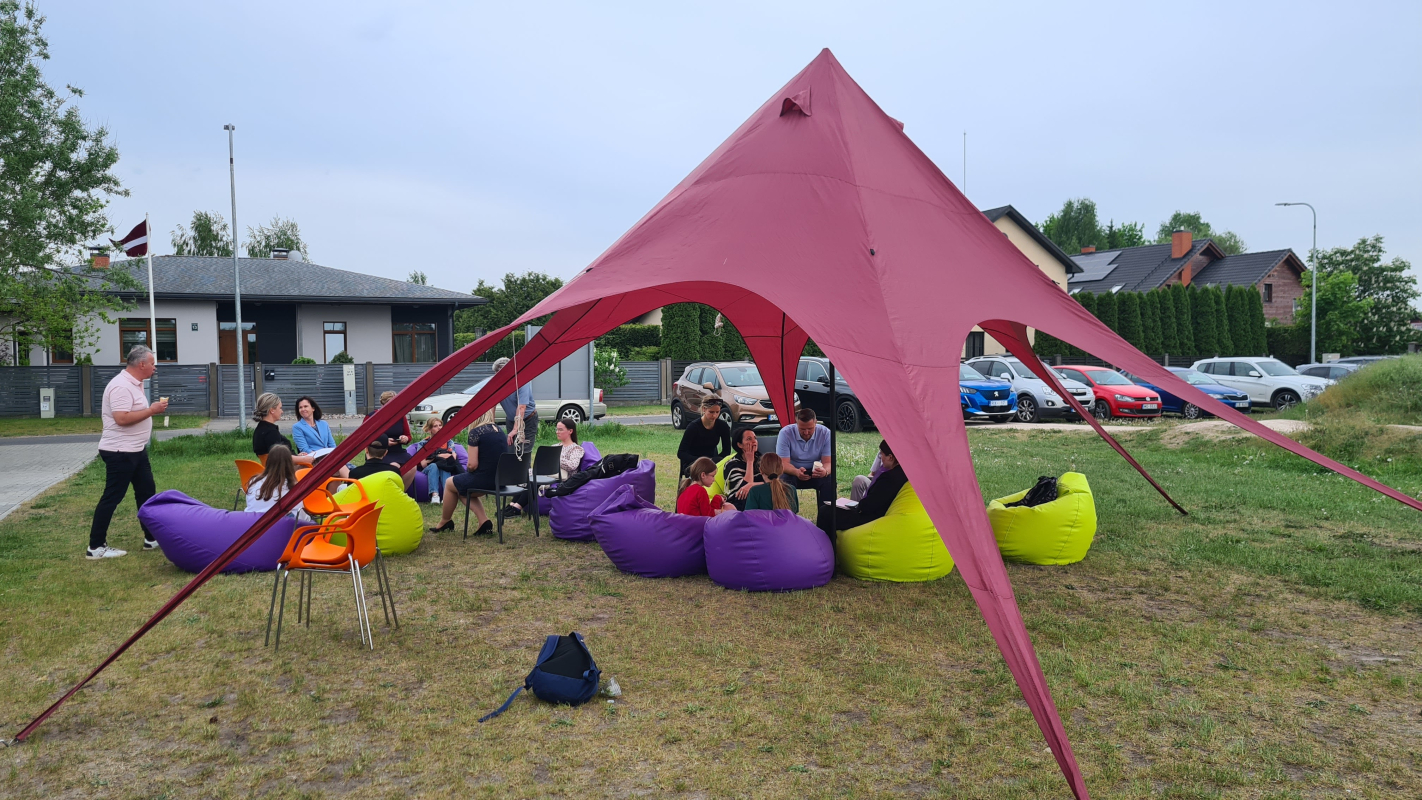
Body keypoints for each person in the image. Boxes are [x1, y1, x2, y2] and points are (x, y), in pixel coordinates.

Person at [87, 345, 168, 559]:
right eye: (152, 364)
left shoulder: (136, 384)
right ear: (141, 364)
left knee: (146, 493)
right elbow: (121, 419)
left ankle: (151, 538)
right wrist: (151, 410)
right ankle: (95, 547)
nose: (155, 368)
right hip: (120, 452)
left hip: (136, 451)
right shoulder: (121, 386)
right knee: (112, 497)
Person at [431, 410, 505, 535]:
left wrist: (469, 470)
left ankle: (444, 522)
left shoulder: (475, 433)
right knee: (460, 486)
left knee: (450, 483)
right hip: (502, 479)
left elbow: (472, 465)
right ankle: (484, 522)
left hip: (485, 479)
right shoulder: (499, 430)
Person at [499, 418, 583, 518]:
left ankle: (517, 508)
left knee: (535, 479)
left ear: (570, 431)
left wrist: (556, 458)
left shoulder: (576, 448)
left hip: (563, 477)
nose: (557, 432)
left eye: (560, 430)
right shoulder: (554, 446)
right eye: (556, 429)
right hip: (550, 473)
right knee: (528, 475)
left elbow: (573, 465)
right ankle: (512, 505)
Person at [775, 407, 834, 535]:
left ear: (816, 423)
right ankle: (788, 524)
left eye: (810, 429)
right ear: (796, 424)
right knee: (784, 482)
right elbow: (782, 464)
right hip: (792, 470)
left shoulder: (826, 433)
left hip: (816, 471)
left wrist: (825, 471)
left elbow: (828, 463)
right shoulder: (785, 433)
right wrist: (796, 472)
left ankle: (826, 525)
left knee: (829, 481)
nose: (806, 432)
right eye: (802, 429)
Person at [836, 440, 907, 530]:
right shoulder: (900, 473)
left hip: (872, 518)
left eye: (882, 454)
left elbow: (871, 504)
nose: (881, 457)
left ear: (890, 457)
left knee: (827, 512)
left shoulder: (889, 478)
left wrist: (860, 506)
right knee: (859, 480)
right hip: (874, 507)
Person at [244, 445, 313, 520]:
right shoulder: (293, 487)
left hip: (251, 523)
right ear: (290, 464)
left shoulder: (254, 481)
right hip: (280, 526)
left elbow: (250, 504)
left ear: (268, 461)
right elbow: (301, 517)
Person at [291, 396, 349, 479]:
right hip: (314, 459)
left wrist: (332, 454)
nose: (303, 409)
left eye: (305, 406)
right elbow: (305, 449)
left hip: (329, 456)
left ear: (313, 408)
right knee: (340, 467)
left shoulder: (324, 424)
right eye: (300, 407)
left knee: (343, 465)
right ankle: (354, 483)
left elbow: (332, 444)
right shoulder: (297, 427)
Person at [251, 393, 315, 466]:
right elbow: (280, 458)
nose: (282, 411)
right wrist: (303, 459)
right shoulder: (271, 433)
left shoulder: (260, 430)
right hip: (282, 472)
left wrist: (297, 456)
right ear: (272, 410)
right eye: (280, 408)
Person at [492, 357, 538, 458]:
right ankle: (512, 472)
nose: (497, 376)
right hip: (511, 420)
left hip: (527, 420)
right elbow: (492, 405)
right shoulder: (496, 383)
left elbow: (521, 407)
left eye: (499, 373)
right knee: (510, 450)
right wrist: (491, 425)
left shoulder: (521, 381)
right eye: (496, 373)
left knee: (523, 452)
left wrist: (515, 429)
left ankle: (524, 472)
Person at [677, 397, 732, 475]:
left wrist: (716, 460)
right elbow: (681, 453)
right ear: (704, 409)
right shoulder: (693, 427)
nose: (715, 415)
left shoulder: (723, 426)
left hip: (713, 461)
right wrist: (703, 461)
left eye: (717, 412)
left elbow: (727, 451)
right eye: (711, 412)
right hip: (694, 462)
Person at [414, 417, 462, 504]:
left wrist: (434, 457)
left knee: (444, 467)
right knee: (434, 466)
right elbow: (424, 464)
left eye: (440, 425)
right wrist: (438, 456)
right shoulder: (423, 443)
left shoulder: (448, 442)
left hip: (445, 466)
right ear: (429, 430)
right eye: (435, 426)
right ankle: (435, 496)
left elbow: (452, 458)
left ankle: (447, 496)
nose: (439, 428)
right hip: (429, 469)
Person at [723, 427, 762, 511]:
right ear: (739, 445)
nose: (754, 441)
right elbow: (744, 491)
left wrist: (753, 484)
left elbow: (774, 482)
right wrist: (750, 462)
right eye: (749, 439)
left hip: (761, 497)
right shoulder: (732, 465)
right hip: (740, 503)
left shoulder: (763, 460)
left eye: (755, 438)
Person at [377, 391, 413, 466]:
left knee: (412, 464)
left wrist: (405, 438)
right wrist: (384, 441)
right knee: (394, 466)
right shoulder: (373, 417)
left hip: (397, 451)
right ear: (382, 404)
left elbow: (408, 436)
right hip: (378, 452)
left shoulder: (401, 416)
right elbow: (365, 439)